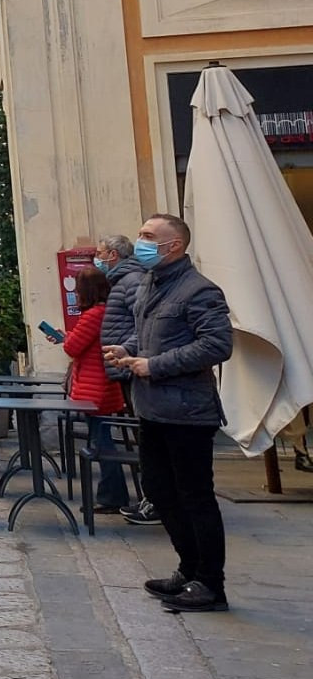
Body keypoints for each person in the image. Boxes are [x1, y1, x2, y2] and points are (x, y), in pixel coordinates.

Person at [102, 213, 235, 613]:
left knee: (195, 496)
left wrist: (154, 365)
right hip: (153, 408)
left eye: (147, 236)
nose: (139, 241)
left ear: (173, 245)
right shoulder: (150, 284)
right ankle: (188, 569)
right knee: (159, 492)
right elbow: (147, 334)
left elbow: (217, 345)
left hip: (187, 411)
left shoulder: (199, 290)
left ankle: (211, 583)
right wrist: (128, 349)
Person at [46, 266, 129, 513]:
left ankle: (112, 496)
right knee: (101, 440)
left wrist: (67, 339)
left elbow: (74, 348)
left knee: (101, 443)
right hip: (103, 385)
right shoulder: (107, 312)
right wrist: (68, 336)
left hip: (94, 388)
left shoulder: (93, 314)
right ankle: (113, 494)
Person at [96, 234, 157, 524]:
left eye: (100, 253)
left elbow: (145, 321)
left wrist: (128, 350)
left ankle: (155, 499)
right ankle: (151, 497)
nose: (97, 259)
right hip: (124, 366)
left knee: (145, 435)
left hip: (131, 367)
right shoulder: (122, 281)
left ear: (113, 255)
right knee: (141, 434)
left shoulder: (131, 280)